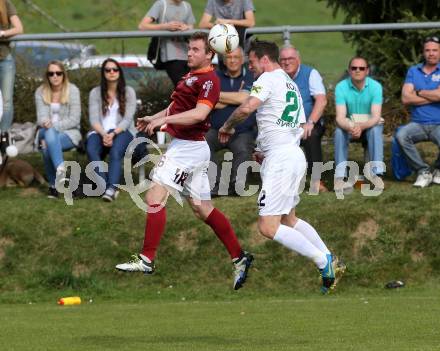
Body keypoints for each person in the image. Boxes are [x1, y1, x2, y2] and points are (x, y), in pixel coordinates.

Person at [115, 32, 253, 291]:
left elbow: (200, 113)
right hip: (191, 147)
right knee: (202, 209)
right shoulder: (189, 77)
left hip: (188, 149)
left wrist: (162, 122)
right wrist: (154, 117)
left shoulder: (210, 80)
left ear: (210, 54)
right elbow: (175, 109)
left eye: (195, 50)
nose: (189, 53)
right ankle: (239, 256)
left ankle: (147, 258)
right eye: (188, 49)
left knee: (155, 197)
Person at [219, 40, 343, 294]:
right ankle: (330, 258)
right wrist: (266, 152)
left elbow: (248, 107)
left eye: (251, 62)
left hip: (282, 160)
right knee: (288, 218)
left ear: (264, 60)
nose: (250, 68)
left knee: (268, 226)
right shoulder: (290, 84)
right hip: (291, 155)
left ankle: (323, 262)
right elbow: (289, 125)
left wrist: (227, 126)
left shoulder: (268, 78)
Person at [206, 46, 256, 196]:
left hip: (241, 131)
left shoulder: (251, 77)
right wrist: (237, 97)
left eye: (236, 57)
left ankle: (236, 185)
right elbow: (207, 99)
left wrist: (220, 97)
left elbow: (246, 99)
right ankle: (216, 185)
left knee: (243, 149)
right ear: (224, 60)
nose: (232, 60)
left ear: (242, 60)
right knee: (202, 144)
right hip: (216, 129)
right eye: (229, 57)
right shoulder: (214, 76)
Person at [86, 58, 137, 202]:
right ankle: (104, 186)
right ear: (103, 73)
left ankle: (112, 188)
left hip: (122, 131)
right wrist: (104, 134)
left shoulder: (129, 92)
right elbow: (93, 120)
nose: (112, 72)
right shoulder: (95, 93)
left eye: (115, 69)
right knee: (91, 149)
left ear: (119, 72)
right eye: (108, 70)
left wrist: (113, 133)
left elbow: (127, 120)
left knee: (115, 151)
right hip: (100, 131)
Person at [279, 45, 328, 193]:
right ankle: (280, 183)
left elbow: (321, 100)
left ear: (298, 60)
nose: (287, 62)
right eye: (283, 59)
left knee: (311, 135)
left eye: (291, 59)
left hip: (308, 124)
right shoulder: (277, 76)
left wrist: (310, 122)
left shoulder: (310, 74)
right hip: (285, 125)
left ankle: (316, 181)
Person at [334, 56, 384, 191]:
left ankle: (377, 174)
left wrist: (360, 127)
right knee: (339, 132)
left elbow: (375, 116)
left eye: (361, 68)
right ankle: (340, 177)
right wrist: (351, 127)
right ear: (349, 71)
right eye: (354, 68)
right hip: (350, 126)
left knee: (375, 130)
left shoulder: (376, 87)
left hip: (370, 125)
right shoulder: (341, 87)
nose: (357, 71)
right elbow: (340, 117)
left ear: (367, 71)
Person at [397, 36, 440, 188]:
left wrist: (419, 91)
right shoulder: (413, 71)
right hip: (418, 124)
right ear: (423, 53)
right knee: (401, 136)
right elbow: (405, 98)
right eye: (428, 50)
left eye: (435, 50)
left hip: (438, 123)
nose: (431, 53)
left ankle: (438, 170)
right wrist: (433, 96)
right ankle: (424, 171)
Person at [35, 61, 81, 199]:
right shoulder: (40, 91)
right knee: (48, 134)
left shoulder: (72, 90)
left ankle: (53, 186)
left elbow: (75, 119)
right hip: (45, 130)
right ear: (47, 76)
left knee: (46, 145)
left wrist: (53, 127)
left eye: (58, 73)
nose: (55, 76)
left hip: (69, 133)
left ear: (63, 75)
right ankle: (61, 171)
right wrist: (45, 123)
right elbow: (41, 118)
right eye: (51, 73)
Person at [138, 0, 195, 86]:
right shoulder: (161, 4)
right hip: (170, 56)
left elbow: (191, 26)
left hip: (188, 55)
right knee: (184, 87)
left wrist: (186, 27)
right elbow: (142, 26)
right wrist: (165, 26)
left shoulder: (187, 6)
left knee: (190, 89)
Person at [0, 0, 23, 138]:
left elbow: (19, 28)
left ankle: (3, 135)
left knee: (7, 101)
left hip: (4, 59)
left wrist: (2, 33)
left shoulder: (5, 3)